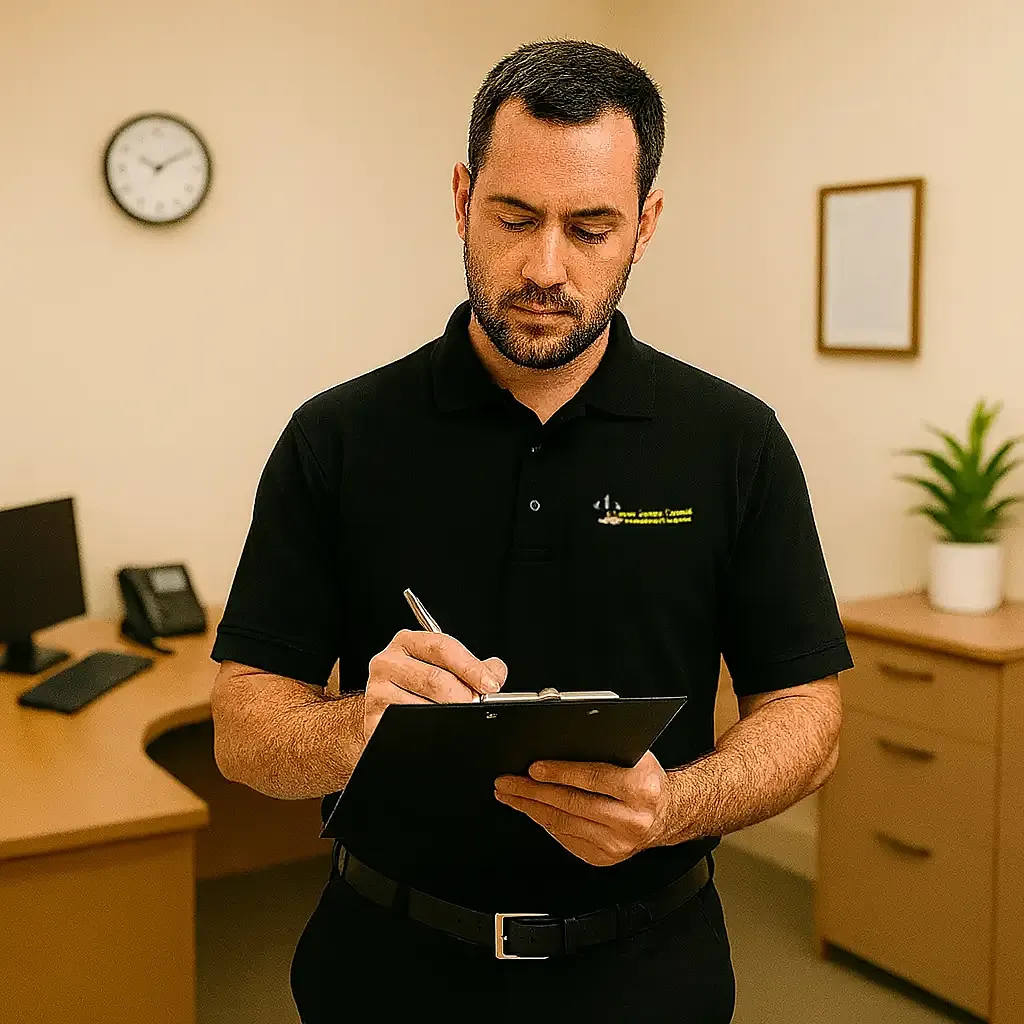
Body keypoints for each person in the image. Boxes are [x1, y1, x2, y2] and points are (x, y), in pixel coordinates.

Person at [209, 38, 853, 1024]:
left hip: (649, 973)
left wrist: (669, 809)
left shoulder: (735, 441)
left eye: (590, 228)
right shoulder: (336, 438)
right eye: (514, 218)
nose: (545, 267)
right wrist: (357, 729)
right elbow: (242, 729)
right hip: (387, 967)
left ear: (645, 226)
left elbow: (808, 717)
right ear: (461, 197)